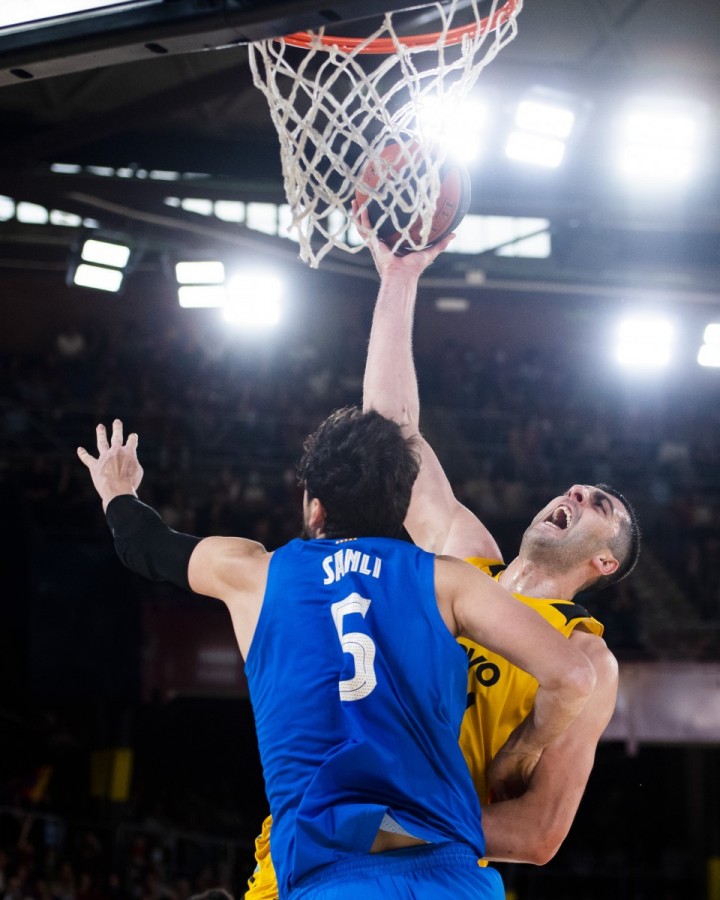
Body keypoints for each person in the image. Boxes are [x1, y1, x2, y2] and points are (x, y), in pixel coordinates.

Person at [245, 223, 641, 899]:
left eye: (599, 503)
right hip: (307, 850)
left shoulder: (586, 656)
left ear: (605, 562)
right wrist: (399, 278)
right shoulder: (463, 559)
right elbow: (390, 438)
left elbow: (540, 833)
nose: (577, 492)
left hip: (425, 872)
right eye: (577, 488)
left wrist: (399, 827)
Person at [78, 411, 595, 900]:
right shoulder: (447, 580)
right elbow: (573, 676)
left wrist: (118, 489)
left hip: (333, 877)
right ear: (399, 509)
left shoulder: (255, 573)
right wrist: (520, 752)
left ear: (315, 507)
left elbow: (143, 544)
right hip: (451, 875)